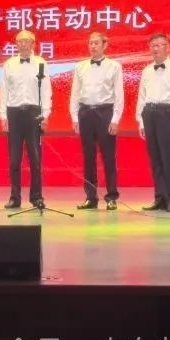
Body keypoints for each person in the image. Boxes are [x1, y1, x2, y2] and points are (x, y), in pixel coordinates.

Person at [69, 32, 124, 211]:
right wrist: (74, 117)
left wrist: (115, 119)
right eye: (90, 43)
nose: (93, 46)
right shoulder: (80, 67)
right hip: (85, 113)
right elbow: (75, 94)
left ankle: (111, 196)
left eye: (96, 43)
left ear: (104, 45)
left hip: (105, 112)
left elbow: (119, 95)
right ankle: (90, 197)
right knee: (88, 157)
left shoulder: (114, 66)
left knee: (109, 157)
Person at [0, 30, 52, 209]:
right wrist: (3, 115)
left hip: (33, 113)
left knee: (35, 158)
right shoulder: (9, 64)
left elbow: (46, 91)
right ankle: (15, 197)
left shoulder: (41, 63)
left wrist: (45, 114)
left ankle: (36, 197)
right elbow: (4, 90)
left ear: (33, 44)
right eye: (19, 41)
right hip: (14, 113)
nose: (22, 44)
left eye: (26, 41)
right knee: (14, 159)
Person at [136, 33, 170, 212]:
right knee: (155, 159)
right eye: (153, 46)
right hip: (150, 113)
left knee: (169, 158)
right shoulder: (146, 70)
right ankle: (160, 197)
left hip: (169, 113)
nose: (155, 49)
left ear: (168, 47)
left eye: (159, 45)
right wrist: (141, 121)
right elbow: (142, 97)